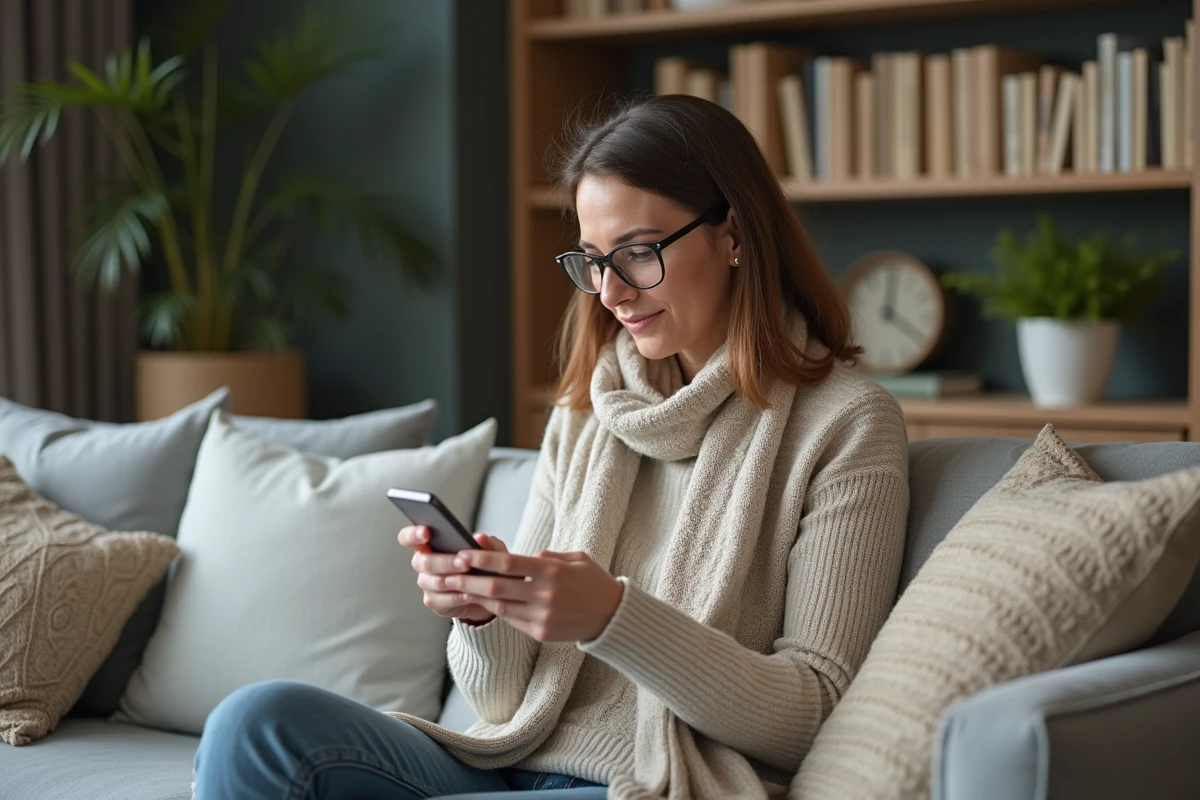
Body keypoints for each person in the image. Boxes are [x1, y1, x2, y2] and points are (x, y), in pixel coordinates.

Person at [192, 95, 910, 800]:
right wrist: (482, 613)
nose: (611, 294)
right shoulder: (587, 413)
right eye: (593, 261)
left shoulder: (847, 424)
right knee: (254, 725)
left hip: (654, 782)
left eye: (638, 253)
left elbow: (814, 712)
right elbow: (500, 702)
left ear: (735, 235)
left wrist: (613, 619)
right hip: (509, 759)